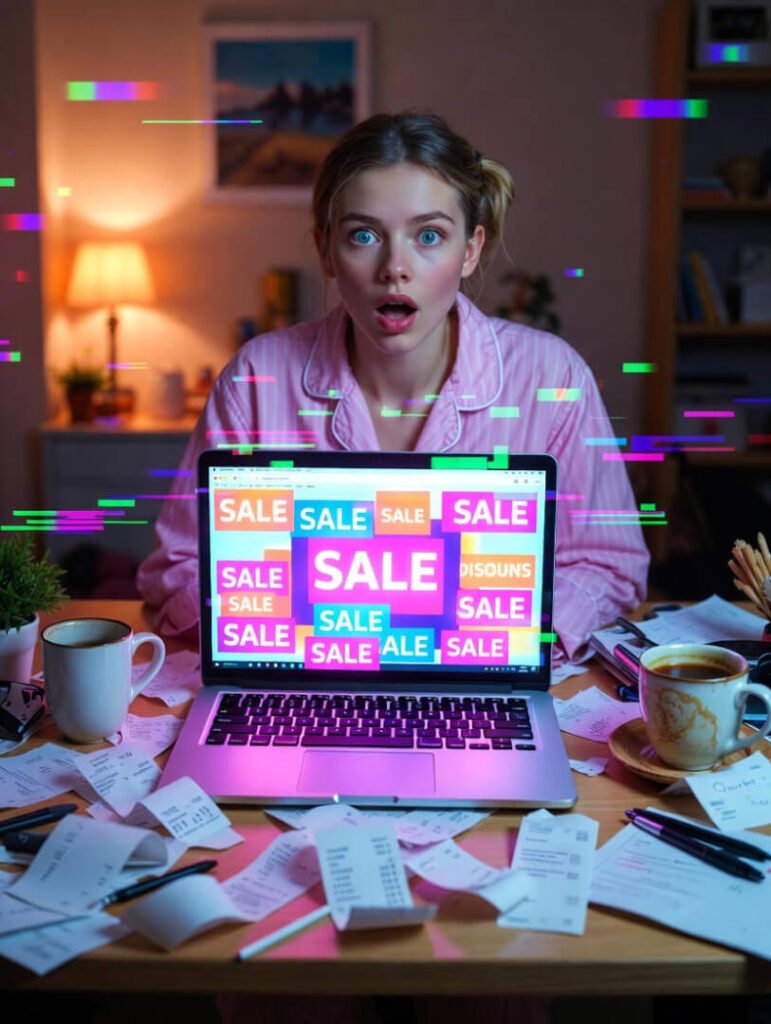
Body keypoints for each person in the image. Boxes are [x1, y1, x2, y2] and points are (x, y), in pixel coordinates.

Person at [137, 109, 649, 662]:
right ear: (326, 250)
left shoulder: (555, 379)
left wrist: (499, 642)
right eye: (363, 235)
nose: (395, 267)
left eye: (429, 235)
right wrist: (301, 627)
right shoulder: (255, 379)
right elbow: (177, 569)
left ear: (471, 250)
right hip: (302, 680)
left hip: (481, 687)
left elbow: (610, 565)